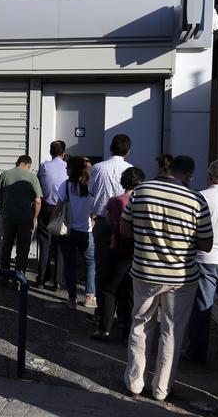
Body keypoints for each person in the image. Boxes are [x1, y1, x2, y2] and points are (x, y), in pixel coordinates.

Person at [120, 155, 213, 401]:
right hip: (180, 277)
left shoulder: (141, 191)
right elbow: (206, 243)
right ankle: (161, 389)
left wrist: (146, 237)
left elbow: (124, 228)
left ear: (167, 168)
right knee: (172, 331)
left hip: (144, 271)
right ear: (190, 175)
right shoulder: (196, 199)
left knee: (140, 324)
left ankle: (134, 382)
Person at [185, 159, 218, 364]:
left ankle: (197, 353)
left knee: (202, 307)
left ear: (210, 176)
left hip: (205, 258)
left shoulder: (200, 196)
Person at [92, 166, 145, 341]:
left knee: (109, 288)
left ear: (123, 182)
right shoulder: (143, 202)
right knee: (129, 291)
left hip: (119, 249)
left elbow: (108, 222)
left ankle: (105, 328)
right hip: (138, 251)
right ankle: (127, 330)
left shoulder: (115, 201)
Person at [88, 134, 132, 318]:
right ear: (128, 151)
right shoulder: (131, 169)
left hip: (102, 221)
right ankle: (123, 315)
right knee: (124, 269)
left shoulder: (97, 168)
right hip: (126, 224)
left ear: (111, 149)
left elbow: (91, 190)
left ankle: (102, 312)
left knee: (102, 266)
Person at [53, 156, 96, 309]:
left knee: (70, 264)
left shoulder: (66, 186)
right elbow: (95, 209)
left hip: (68, 231)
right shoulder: (91, 186)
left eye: (68, 167)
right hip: (86, 231)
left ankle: (72, 299)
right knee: (90, 263)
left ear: (73, 169)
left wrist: (52, 222)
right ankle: (90, 297)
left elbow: (58, 207)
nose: (66, 169)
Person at [0, 155, 42, 286]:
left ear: (17, 163)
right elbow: (38, 201)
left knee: (6, 247)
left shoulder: (4, 174)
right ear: (28, 165)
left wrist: (3, 211)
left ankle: (3, 278)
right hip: (25, 219)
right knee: (22, 249)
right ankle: (19, 279)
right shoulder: (32, 177)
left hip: (8, 217)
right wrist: (35, 218)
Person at [36, 140, 68, 289]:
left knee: (45, 243)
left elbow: (38, 185)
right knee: (60, 246)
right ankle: (58, 281)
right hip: (61, 208)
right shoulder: (68, 167)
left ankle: (41, 279)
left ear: (51, 152)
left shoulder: (44, 166)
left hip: (46, 207)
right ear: (63, 153)